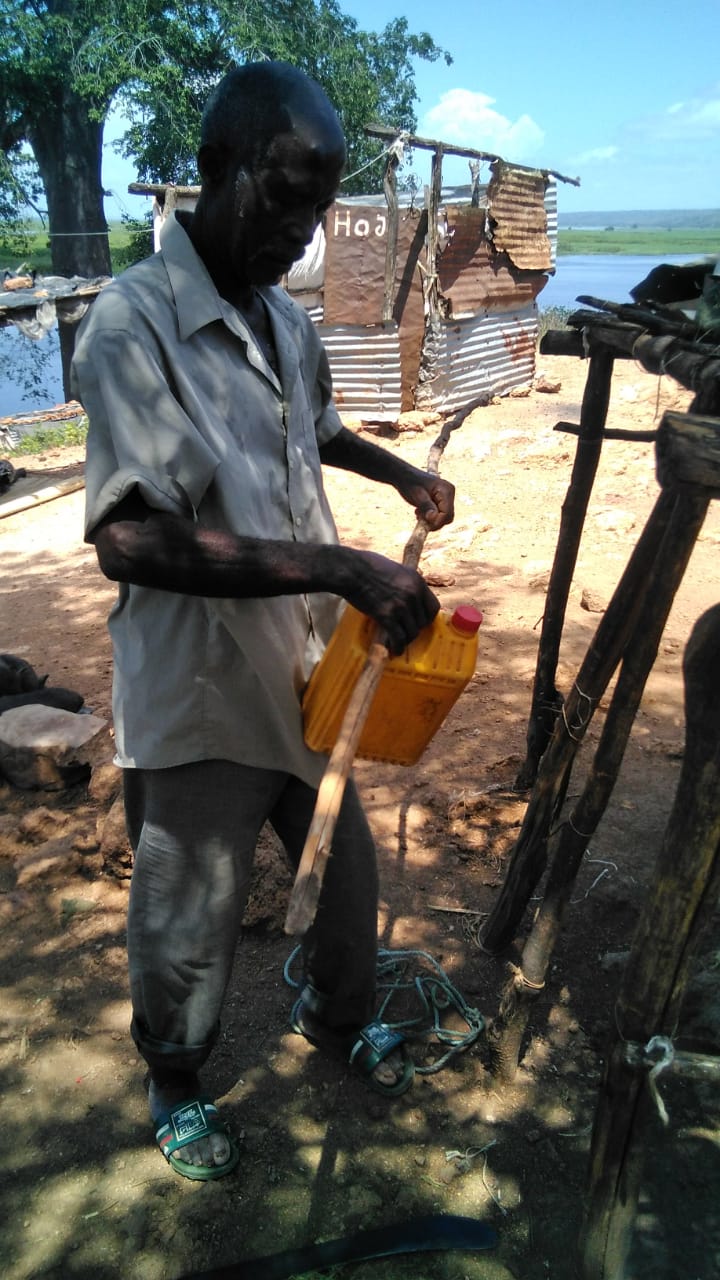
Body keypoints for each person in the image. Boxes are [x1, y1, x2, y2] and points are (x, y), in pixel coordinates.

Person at [72, 60, 455, 1181]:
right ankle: (176, 1077)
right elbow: (129, 539)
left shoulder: (284, 320)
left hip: (300, 670)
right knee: (187, 921)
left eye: (320, 205)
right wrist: (339, 563)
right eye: (287, 195)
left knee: (347, 889)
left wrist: (397, 477)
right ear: (217, 171)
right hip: (197, 690)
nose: (304, 229)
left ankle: (337, 1023)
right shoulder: (131, 325)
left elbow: (316, 428)